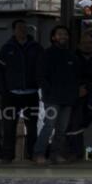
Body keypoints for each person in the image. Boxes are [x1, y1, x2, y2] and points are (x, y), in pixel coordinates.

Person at [0, 19, 43, 163]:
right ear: (14, 30)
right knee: (9, 127)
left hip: (31, 94)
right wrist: (3, 91)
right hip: (11, 95)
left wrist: (40, 87)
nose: (22, 30)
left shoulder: (36, 48)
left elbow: (42, 68)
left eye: (24, 28)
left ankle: (32, 155)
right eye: (19, 28)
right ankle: (7, 156)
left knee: (32, 127)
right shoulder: (6, 48)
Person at [34, 25, 79, 165]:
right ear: (53, 37)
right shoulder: (46, 54)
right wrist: (48, 91)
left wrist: (74, 93)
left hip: (67, 99)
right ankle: (38, 154)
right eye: (59, 34)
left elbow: (76, 77)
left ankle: (55, 154)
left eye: (65, 34)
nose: (63, 36)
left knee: (62, 128)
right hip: (52, 98)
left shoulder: (72, 55)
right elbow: (41, 76)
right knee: (49, 126)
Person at [65, 32, 92, 160]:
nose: (88, 46)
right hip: (75, 99)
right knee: (76, 126)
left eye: (90, 43)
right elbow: (67, 78)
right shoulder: (72, 58)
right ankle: (76, 154)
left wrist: (87, 88)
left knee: (87, 131)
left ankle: (88, 156)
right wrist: (78, 89)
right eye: (84, 43)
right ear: (79, 45)